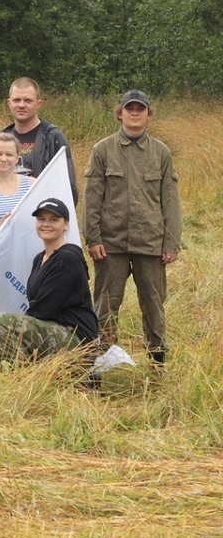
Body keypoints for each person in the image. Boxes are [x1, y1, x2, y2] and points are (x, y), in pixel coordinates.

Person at [83, 90, 181, 364]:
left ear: (149, 114)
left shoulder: (161, 153)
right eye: (129, 108)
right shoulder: (102, 150)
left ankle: (157, 361)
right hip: (110, 244)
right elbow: (92, 198)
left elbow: (170, 200)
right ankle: (100, 362)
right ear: (120, 113)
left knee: (153, 305)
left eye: (140, 108)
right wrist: (92, 238)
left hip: (150, 243)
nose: (134, 113)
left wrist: (171, 243)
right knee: (105, 305)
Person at [0, 198, 99, 362]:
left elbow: (45, 309)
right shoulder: (40, 259)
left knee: (3, 323)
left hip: (76, 337)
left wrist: (22, 324)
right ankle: (33, 377)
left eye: (54, 219)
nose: (46, 224)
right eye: (41, 219)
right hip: (54, 328)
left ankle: (20, 380)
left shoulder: (67, 258)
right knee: (1, 340)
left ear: (66, 225)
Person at [2, 77, 78, 203]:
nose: (21, 105)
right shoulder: (3, 138)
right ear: (9, 103)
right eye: (16, 100)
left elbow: (69, 188)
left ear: (39, 104)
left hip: (43, 215)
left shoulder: (53, 138)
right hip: (8, 216)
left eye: (27, 100)